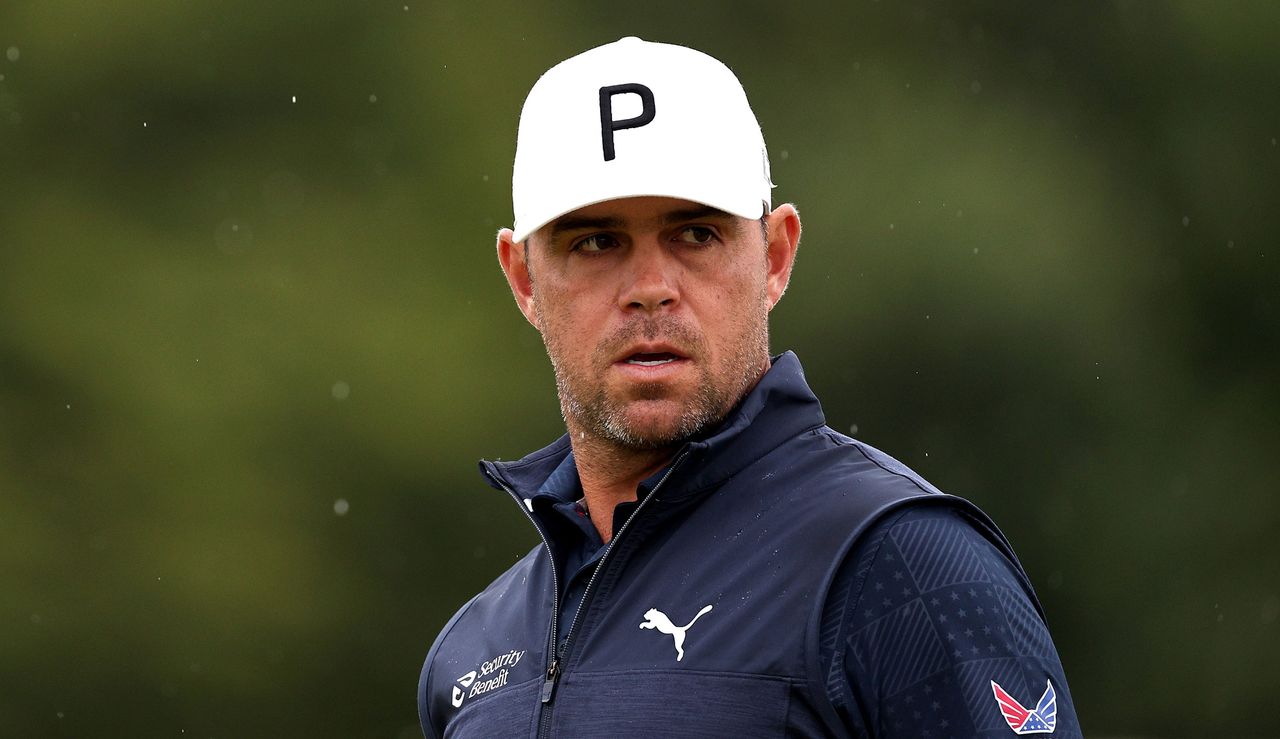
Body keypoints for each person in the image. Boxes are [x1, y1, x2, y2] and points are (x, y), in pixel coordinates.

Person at [418, 37, 1079, 738]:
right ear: (522, 277)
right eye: (596, 242)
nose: (649, 289)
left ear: (776, 255)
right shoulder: (472, 658)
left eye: (696, 233)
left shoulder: (903, 566)